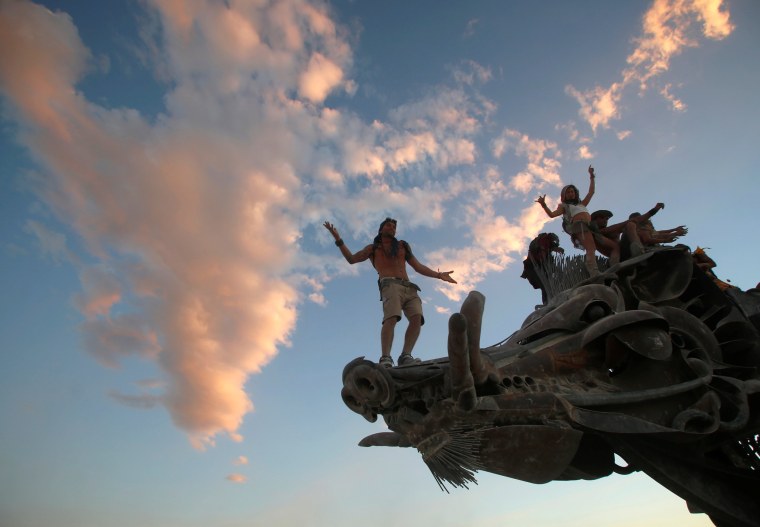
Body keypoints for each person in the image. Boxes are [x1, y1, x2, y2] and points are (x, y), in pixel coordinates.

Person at [323, 217, 457, 368]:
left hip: (409, 287)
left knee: (417, 318)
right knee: (391, 318)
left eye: (394, 226)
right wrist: (338, 239)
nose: (392, 228)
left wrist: (439, 275)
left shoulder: (402, 246)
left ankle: (406, 355)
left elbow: (418, 267)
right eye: (389, 225)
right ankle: (385, 357)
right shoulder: (373, 248)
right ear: (381, 230)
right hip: (390, 285)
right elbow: (352, 259)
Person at [536, 165, 600, 276]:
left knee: (595, 245)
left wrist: (591, 176)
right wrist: (544, 205)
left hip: (590, 226)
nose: (571, 193)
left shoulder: (581, 204)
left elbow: (591, 192)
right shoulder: (564, 206)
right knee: (591, 247)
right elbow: (552, 214)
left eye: (572, 191)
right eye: (568, 192)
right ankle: (593, 271)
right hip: (579, 226)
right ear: (564, 195)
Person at [590, 203, 667, 263]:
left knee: (634, 226)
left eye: (606, 218)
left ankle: (641, 248)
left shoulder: (611, 230)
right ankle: (638, 250)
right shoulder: (602, 232)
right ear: (595, 220)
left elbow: (650, 232)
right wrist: (654, 210)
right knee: (630, 224)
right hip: (621, 255)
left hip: (627, 249)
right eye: (602, 217)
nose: (605, 220)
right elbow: (630, 222)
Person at [521, 232, 564, 304]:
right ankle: (546, 303)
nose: (557, 251)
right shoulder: (545, 241)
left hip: (534, 268)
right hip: (534, 268)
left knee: (545, 286)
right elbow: (542, 254)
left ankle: (546, 302)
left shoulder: (547, 248)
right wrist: (547, 263)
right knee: (545, 286)